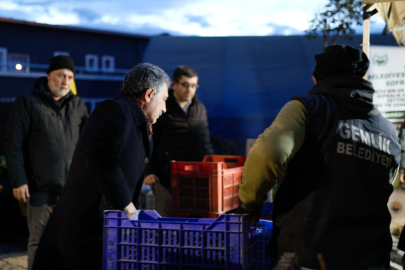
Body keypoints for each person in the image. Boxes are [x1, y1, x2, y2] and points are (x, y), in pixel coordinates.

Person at [238, 45, 400, 270]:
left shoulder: (306, 108)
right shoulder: (388, 131)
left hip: (309, 253)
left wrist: (248, 205)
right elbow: (387, 185)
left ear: (316, 80)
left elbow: (267, 154)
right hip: (371, 257)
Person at [32, 63, 170, 270]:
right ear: (149, 94)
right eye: (164, 100)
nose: (165, 108)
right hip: (83, 229)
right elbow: (100, 156)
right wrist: (128, 208)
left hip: (103, 231)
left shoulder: (141, 124)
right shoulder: (113, 110)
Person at [3, 55, 88, 270]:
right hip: (38, 189)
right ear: (49, 76)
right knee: (39, 242)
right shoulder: (28, 102)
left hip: (71, 190)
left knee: (69, 243)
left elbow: (88, 146)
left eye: (69, 77)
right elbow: (13, 143)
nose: (65, 81)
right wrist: (19, 180)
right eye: (60, 75)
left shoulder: (78, 106)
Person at [143, 65, 213, 217]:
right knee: (166, 224)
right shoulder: (161, 105)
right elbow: (149, 140)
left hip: (195, 180)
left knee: (193, 223)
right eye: (186, 85)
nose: (190, 90)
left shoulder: (199, 109)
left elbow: (205, 143)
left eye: (194, 86)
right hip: (166, 179)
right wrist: (150, 171)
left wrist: (211, 167)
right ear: (174, 85)